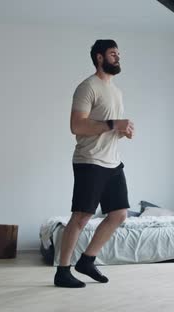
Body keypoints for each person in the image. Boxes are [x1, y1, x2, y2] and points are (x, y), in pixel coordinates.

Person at [54, 39, 134, 288]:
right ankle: (62, 271)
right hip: (90, 161)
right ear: (99, 57)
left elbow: (109, 128)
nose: (117, 57)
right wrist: (113, 124)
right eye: (113, 54)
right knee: (81, 216)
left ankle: (87, 260)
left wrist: (122, 130)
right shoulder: (87, 87)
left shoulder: (116, 91)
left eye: (118, 53)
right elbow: (77, 126)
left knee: (119, 214)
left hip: (113, 162)